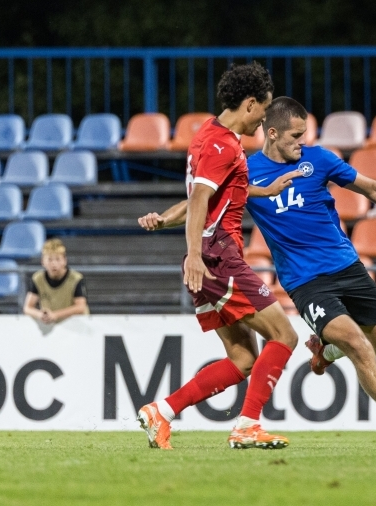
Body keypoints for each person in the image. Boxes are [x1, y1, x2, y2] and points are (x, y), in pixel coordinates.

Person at [141, 96, 376, 450]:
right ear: (272, 134)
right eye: (295, 136)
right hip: (306, 283)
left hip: (348, 268)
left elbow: (372, 188)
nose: (301, 142)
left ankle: (325, 350)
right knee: (357, 344)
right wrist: (165, 219)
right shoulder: (246, 167)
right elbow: (203, 197)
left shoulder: (319, 160)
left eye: (304, 135)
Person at [136, 62, 303, 451]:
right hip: (218, 257)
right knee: (285, 334)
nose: (264, 119)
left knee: (244, 359)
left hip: (209, 257)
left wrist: (164, 220)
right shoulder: (222, 145)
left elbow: (207, 194)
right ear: (249, 104)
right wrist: (194, 254)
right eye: (263, 109)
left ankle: (162, 410)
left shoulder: (209, 136)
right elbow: (198, 200)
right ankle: (247, 425)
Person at [23, 238, 89, 323]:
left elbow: (80, 307)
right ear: (43, 261)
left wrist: (56, 315)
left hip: (77, 324)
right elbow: (27, 307)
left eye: (58, 259)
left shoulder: (76, 278)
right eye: (50, 259)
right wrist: (40, 314)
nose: (54, 264)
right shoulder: (38, 279)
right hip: (50, 324)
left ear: (64, 261)